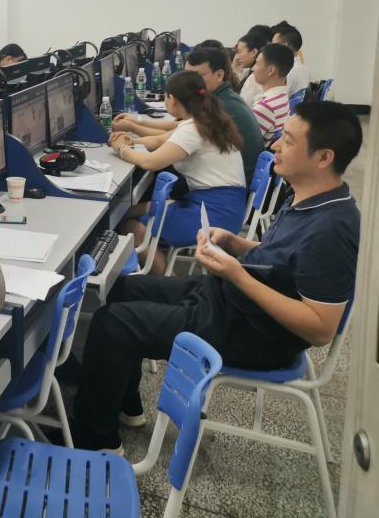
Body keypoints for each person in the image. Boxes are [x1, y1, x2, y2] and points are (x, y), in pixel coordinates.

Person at [73, 100, 362, 453]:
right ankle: (122, 404)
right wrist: (236, 244)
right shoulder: (308, 194)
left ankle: (95, 441)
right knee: (122, 289)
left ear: (323, 157)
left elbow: (319, 329)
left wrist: (238, 276)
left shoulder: (333, 229)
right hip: (234, 302)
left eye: (288, 141)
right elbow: (285, 259)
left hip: (256, 334)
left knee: (112, 323)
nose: (275, 146)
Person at [110, 70, 246, 276]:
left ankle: (169, 282)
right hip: (224, 207)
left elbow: (149, 162)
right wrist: (130, 141)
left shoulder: (194, 129)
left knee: (130, 226)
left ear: (172, 99)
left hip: (212, 215)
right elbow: (160, 140)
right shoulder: (204, 119)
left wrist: (121, 149)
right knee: (130, 211)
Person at [113, 47, 262, 184]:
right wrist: (132, 138)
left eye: (196, 76)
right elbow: (165, 136)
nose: (189, 81)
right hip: (226, 184)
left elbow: (150, 161)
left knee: (153, 179)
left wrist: (121, 148)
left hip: (223, 190)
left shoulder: (222, 107)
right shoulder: (213, 107)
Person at [250, 43, 294, 144]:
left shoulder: (265, 107)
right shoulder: (282, 96)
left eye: (257, 64)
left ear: (270, 70)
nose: (253, 68)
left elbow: (239, 144)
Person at [273, 27, 309, 97]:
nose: (271, 49)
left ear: (285, 46)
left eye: (274, 45)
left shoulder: (288, 71)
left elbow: (276, 98)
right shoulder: (303, 68)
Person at [233, 31, 268, 103]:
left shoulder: (254, 78)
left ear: (254, 52)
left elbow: (243, 104)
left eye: (239, 52)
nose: (237, 57)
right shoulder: (260, 73)